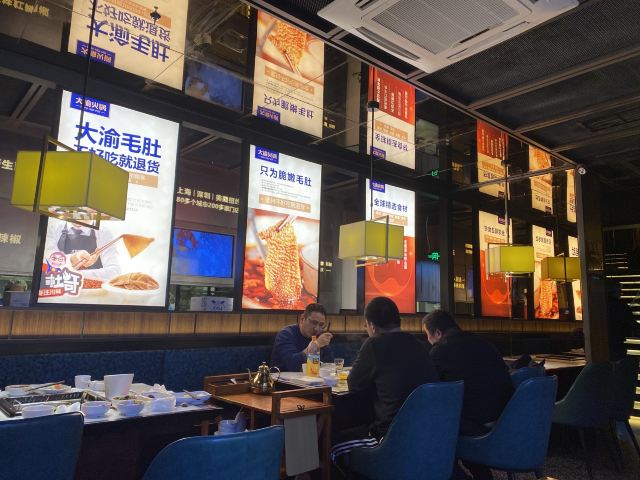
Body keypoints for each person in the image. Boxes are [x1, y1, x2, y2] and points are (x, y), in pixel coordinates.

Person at [331, 297, 437, 470]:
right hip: (427, 434)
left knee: (330, 445)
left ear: (372, 326)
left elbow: (354, 385)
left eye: (366, 326)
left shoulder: (374, 344)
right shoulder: (419, 345)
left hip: (391, 437)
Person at [423, 309, 513, 480]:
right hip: (506, 418)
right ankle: (481, 475)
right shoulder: (484, 343)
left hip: (478, 423)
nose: (428, 341)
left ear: (438, 333)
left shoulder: (441, 350)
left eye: (427, 335)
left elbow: (429, 388)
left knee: (434, 426)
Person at [46, 220, 121, 280]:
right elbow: (47, 265)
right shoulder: (54, 229)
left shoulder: (103, 233)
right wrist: (73, 259)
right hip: (60, 290)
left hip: (94, 292)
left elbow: (114, 272)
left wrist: (75, 275)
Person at [271, 303, 334, 372]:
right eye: (314, 323)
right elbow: (292, 365)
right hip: (282, 377)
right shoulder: (286, 334)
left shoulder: (319, 336)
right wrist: (315, 345)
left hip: (311, 377)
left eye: (321, 325)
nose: (317, 328)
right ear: (302, 319)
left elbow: (329, 364)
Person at [606, 280, 638, 360]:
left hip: (604, 342)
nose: (620, 294)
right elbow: (631, 323)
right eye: (620, 291)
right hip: (617, 340)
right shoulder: (620, 306)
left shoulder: (599, 305)